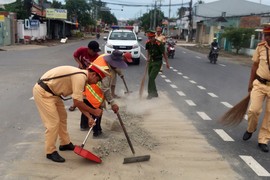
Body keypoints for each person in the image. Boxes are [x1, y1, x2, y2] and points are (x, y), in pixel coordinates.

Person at [33, 64, 110, 163]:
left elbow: (79, 102)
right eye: (98, 81)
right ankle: (50, 151)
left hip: (53, 94)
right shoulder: (80, 78)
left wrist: (89, 117)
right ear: (93, 75)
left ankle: (65, 143)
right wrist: (94, 111)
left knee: (63, 117)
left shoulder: (83, 78)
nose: (96, 83)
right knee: (53, 123)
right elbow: (77, 103)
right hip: (43, 93)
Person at [80, 50, 133, 137]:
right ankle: (97, 132)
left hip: (86, 86)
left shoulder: (104, 56)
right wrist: (112, 103)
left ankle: (84, 126)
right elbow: (105, 88)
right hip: (94, 90)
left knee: (86, 106)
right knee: (98, 111)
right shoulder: (105, 72)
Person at [242, 26, 270, 153]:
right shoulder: (260, 47)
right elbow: (254, 66)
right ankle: (250, 129)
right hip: (259, 83)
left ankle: (263, 140)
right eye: (265, 35)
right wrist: (250, 83)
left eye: (268, 35)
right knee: (254, 110)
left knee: (269, 115)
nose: (266, 37)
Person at [69, 40, 101, 111]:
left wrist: (89, 70)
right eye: (93, 51)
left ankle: (84, 104)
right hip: (80, 73)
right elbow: (75, 56)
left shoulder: (97, 57)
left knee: (85, 90)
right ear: (89, 49)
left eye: (96, 52)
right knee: (78, 89)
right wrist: (80, 64)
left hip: (89, 75)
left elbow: (96, 68)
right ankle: (75, 104)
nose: (95, 53)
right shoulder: (82, 50)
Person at [145, 30, 170, 99]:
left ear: (154, 37)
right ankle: (154, 93)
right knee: (150, 78)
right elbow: (148, 51)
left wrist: (167, 63)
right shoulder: (148, 43)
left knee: (151, 77)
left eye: (151, 38)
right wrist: (147, 58)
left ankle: (151, 94)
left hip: (157, 62)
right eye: (149, 38)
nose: (149, 39)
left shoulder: (159, 44)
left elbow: (164, 54)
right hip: (151, 61)